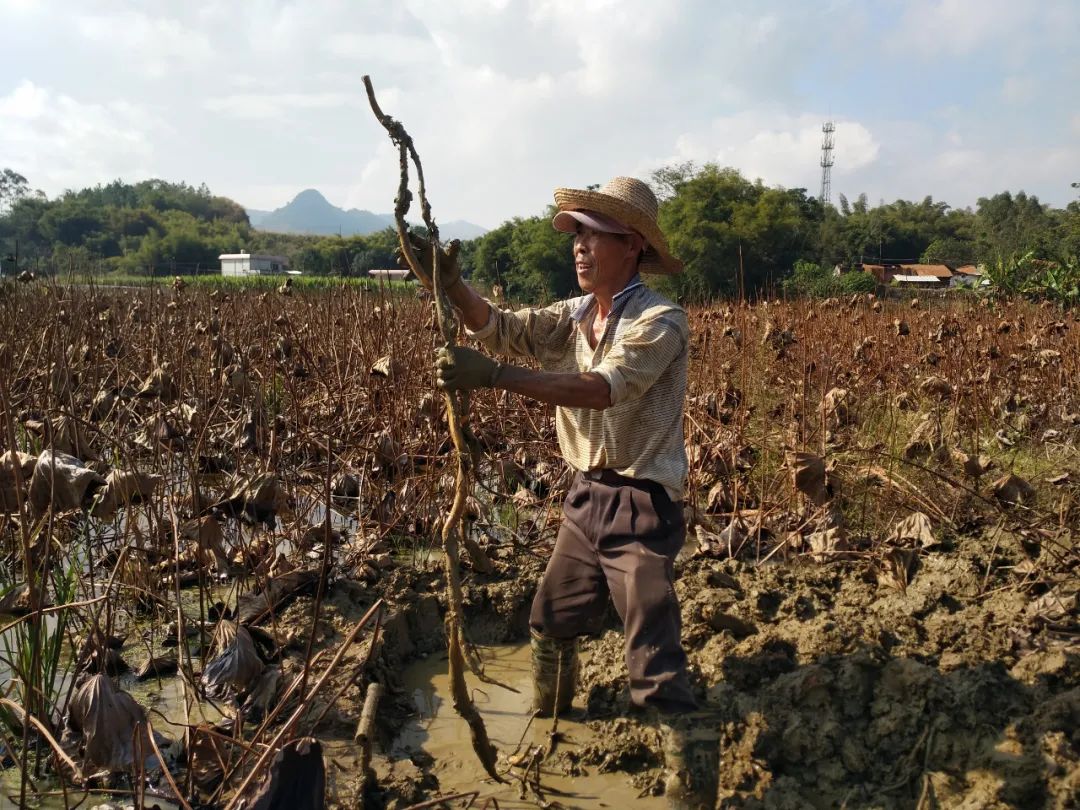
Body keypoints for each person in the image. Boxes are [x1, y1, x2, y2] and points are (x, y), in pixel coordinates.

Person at [416, 176, 714, 808]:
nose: (578, 248)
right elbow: (501, 327)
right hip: (585, 500)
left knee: (653, 661)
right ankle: (552, 727)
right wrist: (449, 285)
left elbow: (603, 388)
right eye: (575, 235)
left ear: (632, 245)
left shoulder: (661, 320)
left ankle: (690, 786)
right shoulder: (575, 315)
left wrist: (495, 377)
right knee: (549, 622)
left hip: (641, 504)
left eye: (594, 236)